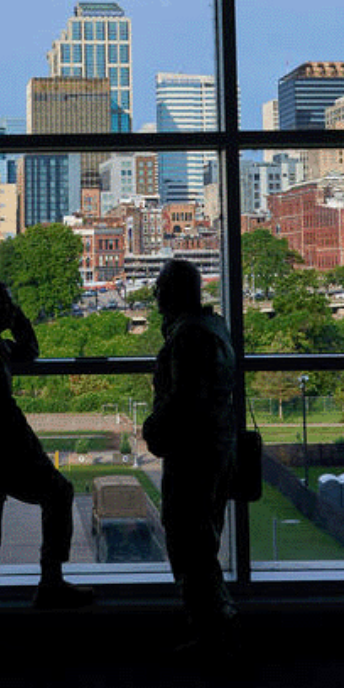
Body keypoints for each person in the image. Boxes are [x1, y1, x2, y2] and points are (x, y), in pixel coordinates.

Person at [0, 277, 94, 616]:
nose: (9, 308)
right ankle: (50, 582)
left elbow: (28, 353)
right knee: (55, 495)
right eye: (5, 303)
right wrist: (18, 319)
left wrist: (14, 318)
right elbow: (2, 410)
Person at [142, 259, 237, 647]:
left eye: (161, 287)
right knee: (203, 540)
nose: (155, 295)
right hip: (216, 447)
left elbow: (184, 399)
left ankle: (213, 630)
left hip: (193, 453)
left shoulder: (188, 337)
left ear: (175, 292)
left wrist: (154, 428)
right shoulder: (214, 329)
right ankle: (213, 629)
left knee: (189, 543)